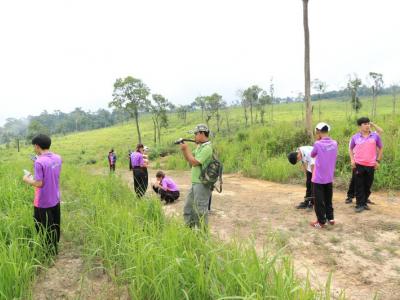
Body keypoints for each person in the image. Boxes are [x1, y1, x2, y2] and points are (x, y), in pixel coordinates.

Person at [22, 134, 62, 255]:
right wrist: (37, 160)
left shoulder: (39, 162)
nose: (34, 148)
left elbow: (39, 183)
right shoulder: (58, 158)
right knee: (55, 224)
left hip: (42, 202)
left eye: (34, 146)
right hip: (55, 198)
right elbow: (52, 173)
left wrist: (27, 179)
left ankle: (48, 253)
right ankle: (55, 247)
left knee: (42, 227)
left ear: (37, 146)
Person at [179, 124, 213, 229]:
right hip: (195, 183)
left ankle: (202, 236)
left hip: (202, 183)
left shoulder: (207, 148)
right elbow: (189, 159)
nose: (194, 136)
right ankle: (189, 232)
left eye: (196, 134)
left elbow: (194, 162)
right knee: (188, 208)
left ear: (202, 133)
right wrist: (185, 150)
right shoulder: (200, 147)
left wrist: (185, 149)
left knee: (201, 211)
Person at [349, 117, 384, 213]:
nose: (367, 125)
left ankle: (364, 202)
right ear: (360, 126)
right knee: (359, 185)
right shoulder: (355, 137)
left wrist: (378, 161)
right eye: (365, 124)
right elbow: (351, 149)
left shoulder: (375, 136)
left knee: (368, 185)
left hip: (371, 164)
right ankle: (359, 204)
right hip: (358, 164)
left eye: (368, 123)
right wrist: (352, 160)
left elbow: (381, 148)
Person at [309, 122, 338, 228]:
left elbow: (312, 154)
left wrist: (318, 141)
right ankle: (331, 218)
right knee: (328, 198)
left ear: (318, 132)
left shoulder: (318, 144)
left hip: (318, 178)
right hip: (329, 177)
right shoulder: (334, 143)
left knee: (319, 201)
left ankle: (321, 222)